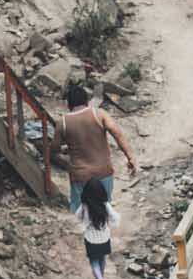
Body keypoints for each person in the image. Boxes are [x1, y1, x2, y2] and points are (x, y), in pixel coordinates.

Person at [56, 82, 138, 212]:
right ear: (86, 100)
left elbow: (54, 150)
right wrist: (130, 157)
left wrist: (66, 154)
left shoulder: (63, 123)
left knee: (81, 213)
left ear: (69, 104)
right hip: (103, 172)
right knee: (104, 209)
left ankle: (87, 231)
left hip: (80, 175)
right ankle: (104, 231)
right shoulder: (99, 114)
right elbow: (117, 134)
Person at [76, 179, 120, 279]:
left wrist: (83, 222)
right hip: (104, 237)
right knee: (102, 259)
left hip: (91, 238)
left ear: (86, 192)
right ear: (102, 192)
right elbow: (114, 217)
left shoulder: (84, 206)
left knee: (94, 261)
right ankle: (100, 276)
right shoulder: (105, 205)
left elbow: (77, 216)